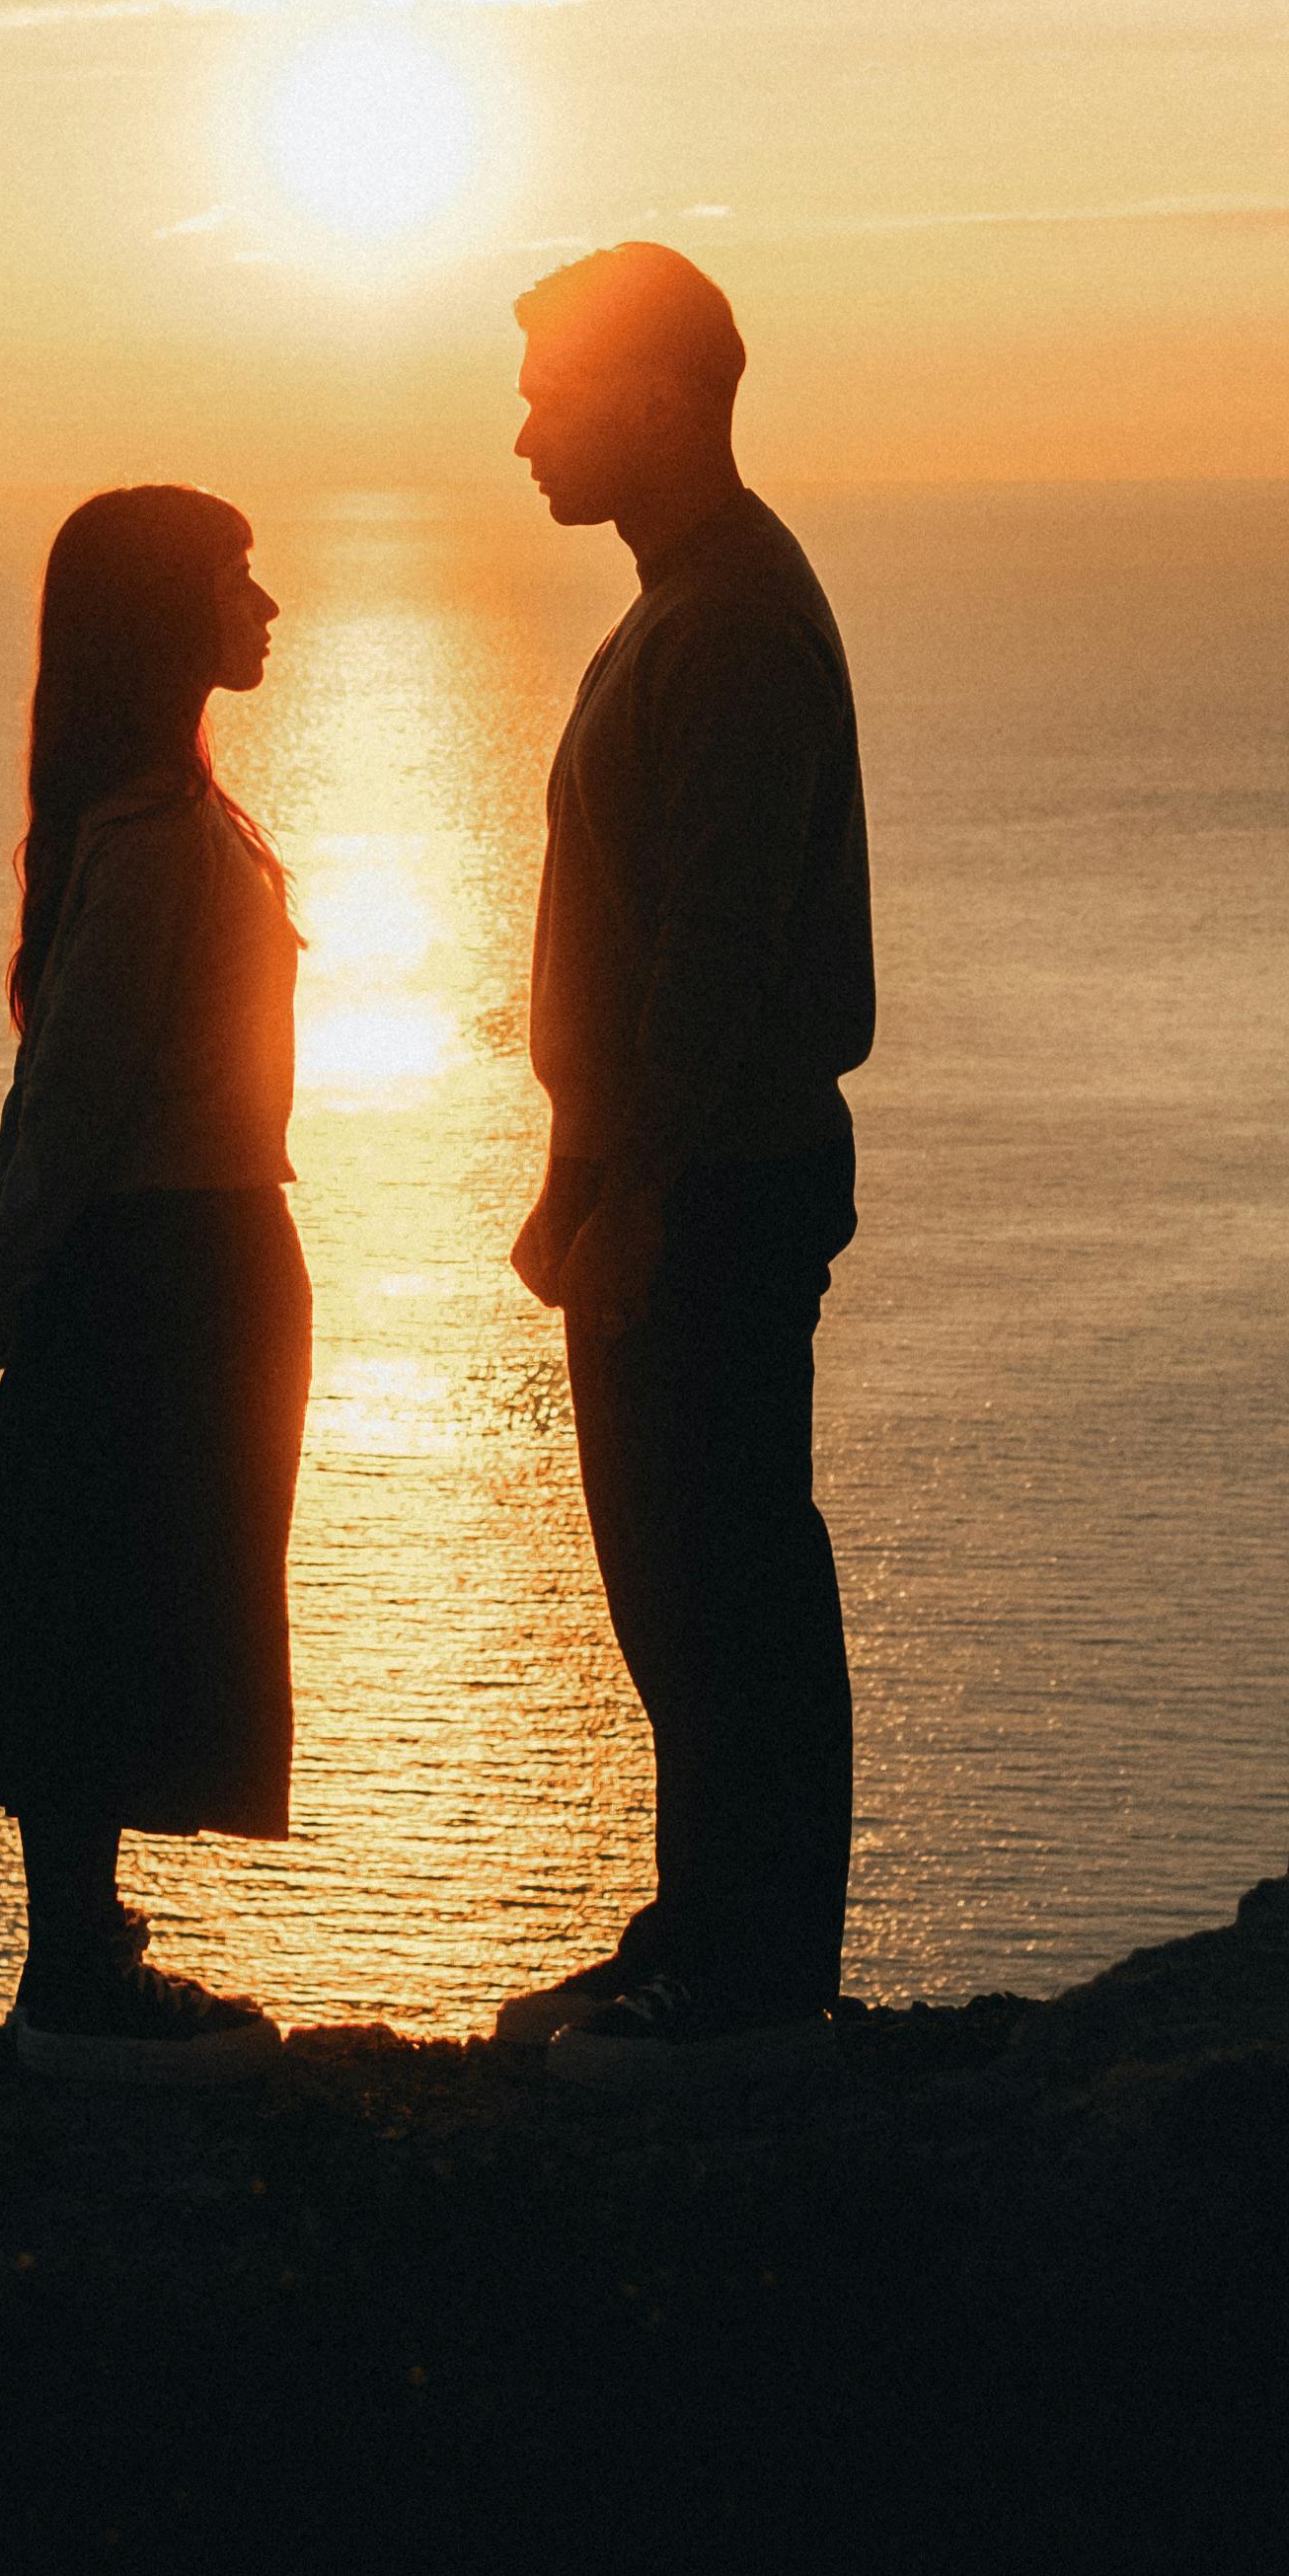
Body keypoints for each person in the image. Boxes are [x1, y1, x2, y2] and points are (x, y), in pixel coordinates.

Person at [492, 245, 876, 2089]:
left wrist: (624, 1183)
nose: (523, 432)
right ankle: (709, 1927)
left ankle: (746, 1982)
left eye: (553, 391)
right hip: (679, 1167)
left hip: (710, 1177)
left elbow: (712, 962)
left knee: (718, 1573)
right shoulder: (695, 600)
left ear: (652, 400)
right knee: (683, 1572)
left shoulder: (722, 623)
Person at [0, 484, 308, 2083]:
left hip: (185, 1259)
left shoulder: (168, 821)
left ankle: (84, 1955)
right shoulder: (153, 839)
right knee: (99, 1604)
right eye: (234, 576)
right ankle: (76, 1975)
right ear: (164, 616)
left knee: (110, 1595)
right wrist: (13, 1261)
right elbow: (73, 1084)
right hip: (165, 1266)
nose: (267, 604)